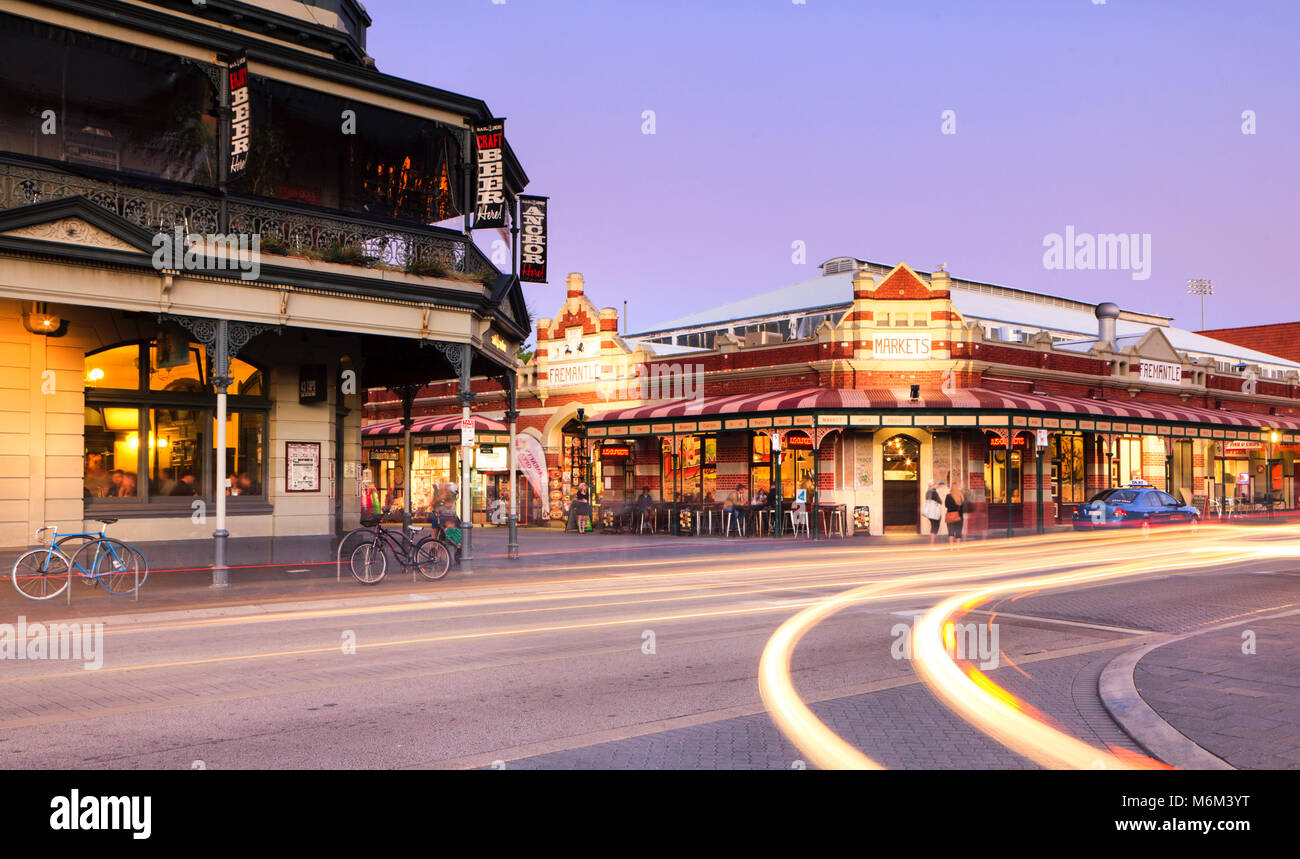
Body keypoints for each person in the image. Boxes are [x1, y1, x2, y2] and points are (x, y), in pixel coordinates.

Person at [923, 480, 944, 546]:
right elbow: (940, 501)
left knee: (933, 526)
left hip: (930, 513)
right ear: (932, 485)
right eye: (935, 484)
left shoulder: (927, 492)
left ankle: (933, 544)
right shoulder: (934, 492)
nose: (936, 485)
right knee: (935, 527)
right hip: (934, 513)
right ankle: (932, 544)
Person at [945, 480, 966, 545]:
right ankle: (958, 548)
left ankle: (951, 547)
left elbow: (946, 505)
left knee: (951, 532)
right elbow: (963, 507)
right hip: (959, 516)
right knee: (958, 531)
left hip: (950, 515)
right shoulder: (961, 496)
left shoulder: (948, 496)